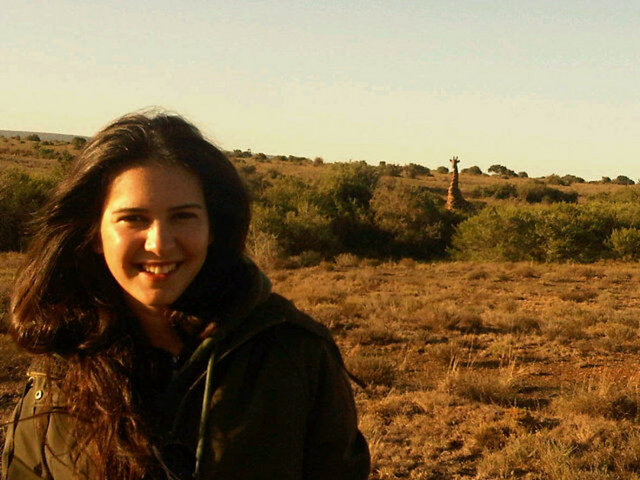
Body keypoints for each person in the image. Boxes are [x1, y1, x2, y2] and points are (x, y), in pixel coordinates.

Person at [2, 112, 370, 479]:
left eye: (182, 217)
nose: (159, 243)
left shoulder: (293, 353)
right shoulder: (61, 355)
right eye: (133, 219)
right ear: (94, 233)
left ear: (212, 228)